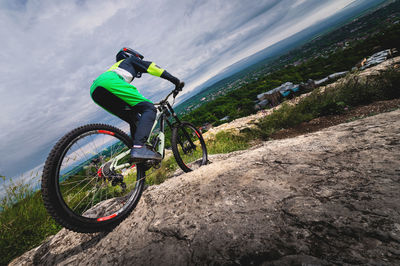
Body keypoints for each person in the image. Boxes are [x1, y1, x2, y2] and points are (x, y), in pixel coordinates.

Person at [90, 47, 183, 161]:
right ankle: (139, 147)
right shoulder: (130, 60)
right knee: (149, 108)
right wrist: (175, 81)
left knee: (133, 118)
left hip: (95, 91)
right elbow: (153, 67)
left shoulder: (116, 68)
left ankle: (137, 154)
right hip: (109, 82)